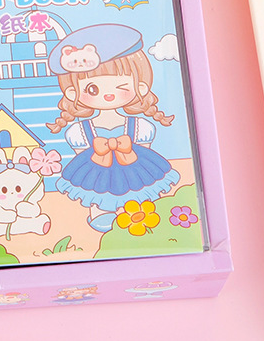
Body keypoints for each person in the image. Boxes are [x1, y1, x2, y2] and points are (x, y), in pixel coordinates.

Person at [46, 24, 179, 232]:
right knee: (96, 191)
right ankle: (100, 213)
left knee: (137, 193)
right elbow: (84, 162)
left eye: (121, 87)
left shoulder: (141, 127)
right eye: (93, 89)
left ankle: (137, 214)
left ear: (140, 87)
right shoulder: (79, 132)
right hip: (97, 170)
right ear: (73, 93)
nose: (108, 95)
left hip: (133, 169)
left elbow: (144, 155)